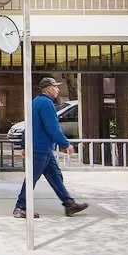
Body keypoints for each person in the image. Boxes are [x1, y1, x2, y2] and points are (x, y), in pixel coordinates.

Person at [13, 77, 88, 219]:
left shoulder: (35, 102)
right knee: (31, 179)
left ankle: (69, 204)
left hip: (41, 149)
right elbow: (52, 128)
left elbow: (28, 125)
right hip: (41, 149)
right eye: (55, 87)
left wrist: (24, 145)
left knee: (55, 176)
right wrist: (66, 144)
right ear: (48, 89)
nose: (58, 89)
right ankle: (20, 207)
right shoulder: (47, 104)